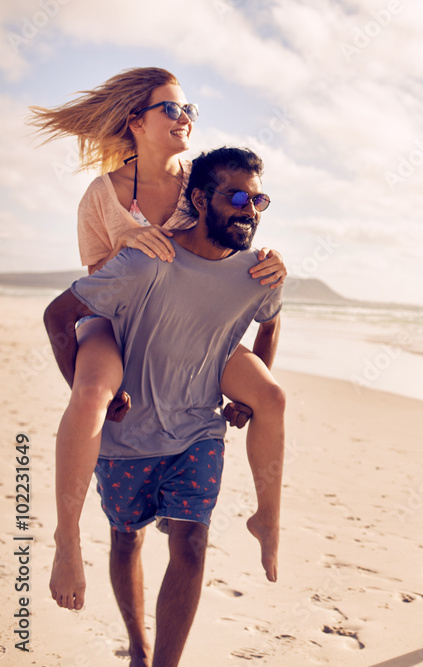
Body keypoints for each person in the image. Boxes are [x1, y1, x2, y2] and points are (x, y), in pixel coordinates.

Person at [28, 68, 286, 582]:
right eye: (171, 108)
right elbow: (95, 283)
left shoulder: (203, 182)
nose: (184, 118)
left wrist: (272, 260)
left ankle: (269, 517)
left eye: (189, 109)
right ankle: (67, 537)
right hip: (118, 318)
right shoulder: (102, 195)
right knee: (91, 393)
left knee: (271, 396)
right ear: (136, 122)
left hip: (189, 320)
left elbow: (233, 233)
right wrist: (130, 251)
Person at [43, 147, 282, 667]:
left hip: (198, 429)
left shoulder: (257, 271)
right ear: (199, 198)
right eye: (238, 196)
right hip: (126, 437)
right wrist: (87, 392)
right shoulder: (148, 258)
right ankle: (138, 645)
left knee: (192, 545)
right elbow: (60, 315)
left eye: (259, 198)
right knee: (125, 541)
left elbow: (269, 314)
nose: (251, 209)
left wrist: (249, 391)